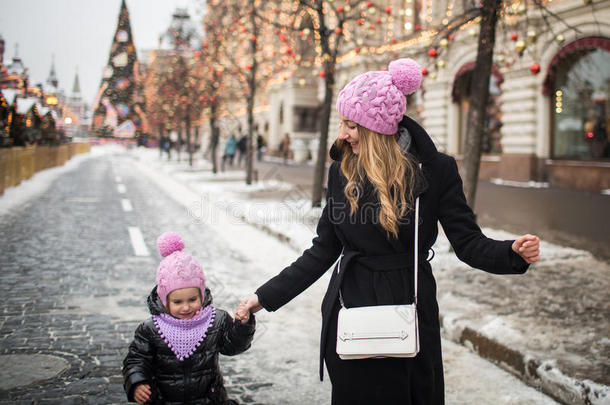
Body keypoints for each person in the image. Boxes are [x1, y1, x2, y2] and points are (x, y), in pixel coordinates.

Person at [235, 58, 540, 404]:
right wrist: (265, 297)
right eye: (343, 124)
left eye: (351, 125)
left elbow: (467, 241)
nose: (343, 135)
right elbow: (322, 250)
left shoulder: (436, 171)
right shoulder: (340, 174)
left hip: (408, 307)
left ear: (376, 128)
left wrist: (510, 253)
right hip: (350, 308)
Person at [123, 232, 255, 404]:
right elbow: (136, 359)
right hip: (164, 399)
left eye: (192, 300)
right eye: (177, 302)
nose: (186, 307)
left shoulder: (216, 320)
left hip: (209, 399)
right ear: (164, 300)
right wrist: (137, 382)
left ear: (201, 294)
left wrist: (242, 325)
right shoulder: (151, 328)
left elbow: (233, 347)